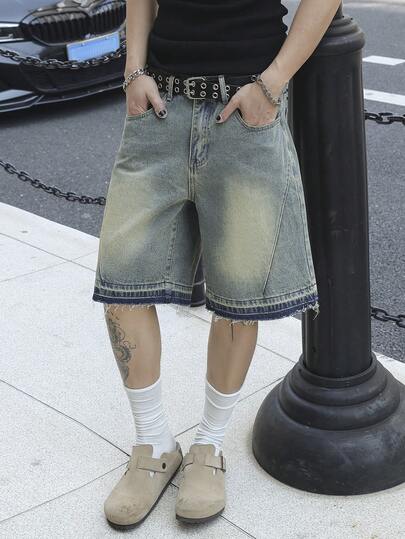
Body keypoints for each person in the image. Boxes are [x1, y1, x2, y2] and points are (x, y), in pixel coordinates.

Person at [92, 0, 340, 528]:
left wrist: (272, 84)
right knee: (120, 282)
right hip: (159, 107)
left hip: (244, 109)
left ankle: (209, 446)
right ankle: (153, 443)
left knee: (239, 294)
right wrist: (133, 71)